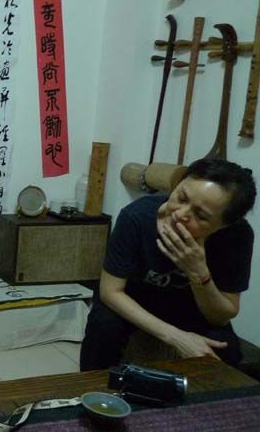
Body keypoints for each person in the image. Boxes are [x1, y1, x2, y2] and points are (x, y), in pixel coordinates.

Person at [80, 158, 256, 371]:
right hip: (133, 297)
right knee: (103, 328)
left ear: (224, 225)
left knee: (226, 349)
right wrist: (176, 337)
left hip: (189, 307)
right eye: (181, 197)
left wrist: (198, 271)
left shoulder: (236, 236)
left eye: (200, 215)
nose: (180, 214)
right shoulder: (137, 217)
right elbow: (110, 292)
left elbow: (221, 316)